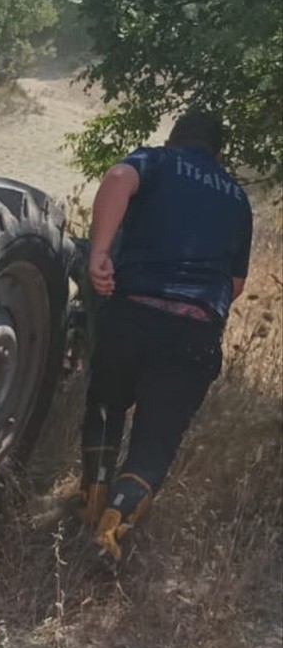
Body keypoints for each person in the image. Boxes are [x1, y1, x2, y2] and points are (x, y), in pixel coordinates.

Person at [79, 109, 253, 560]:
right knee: (155, 441)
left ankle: (92, 495)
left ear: (175, 138)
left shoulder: (157, 161)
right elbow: (235, 285)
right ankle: (112, 530)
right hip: (194, 330)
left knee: (106, 401)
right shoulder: (237, 198)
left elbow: (118, 177)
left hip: (133, 310)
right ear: (218, 151)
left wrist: (99, 253)